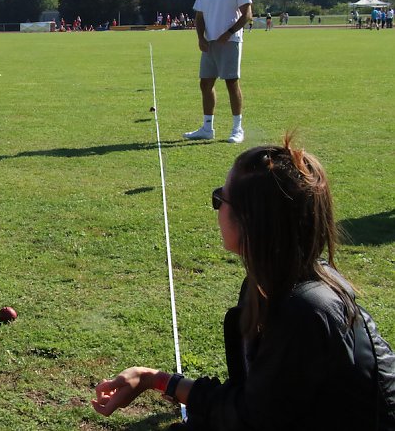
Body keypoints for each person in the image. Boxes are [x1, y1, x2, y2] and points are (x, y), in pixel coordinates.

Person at [92, 138, 395, 429]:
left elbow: (250, 420)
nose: (216, 207)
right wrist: (153, 379)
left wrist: (162, 383)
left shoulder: (306, 311)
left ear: (251, 220)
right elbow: (252, 404)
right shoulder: (272, 283)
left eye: (220, 198)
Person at [183, 0, 252, 144]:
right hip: (210, 42)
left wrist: (229, 33)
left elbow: (247, 15)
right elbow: (200, 16)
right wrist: (201, 38)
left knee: (231, 83)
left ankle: (237, 129)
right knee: (205, 83)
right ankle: (207, 127)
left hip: (230, 42)